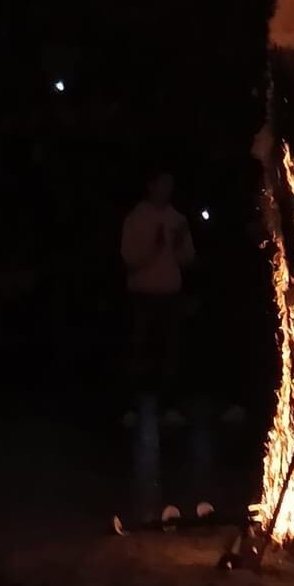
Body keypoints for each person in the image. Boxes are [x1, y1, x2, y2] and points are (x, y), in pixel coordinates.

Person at [121, 169, 194, 427]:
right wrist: (154, 247)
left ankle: (169, 406)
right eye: (162, 183)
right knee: (139, 352)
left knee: (170, 352)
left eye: (169, 184)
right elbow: (129, 259)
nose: (167, 189)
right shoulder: (136, 219)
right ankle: (130, 406)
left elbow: (187, 259)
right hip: (142, 296)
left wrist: (178, 244)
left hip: (170, 295)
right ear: (151, 186)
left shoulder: (177, 219)